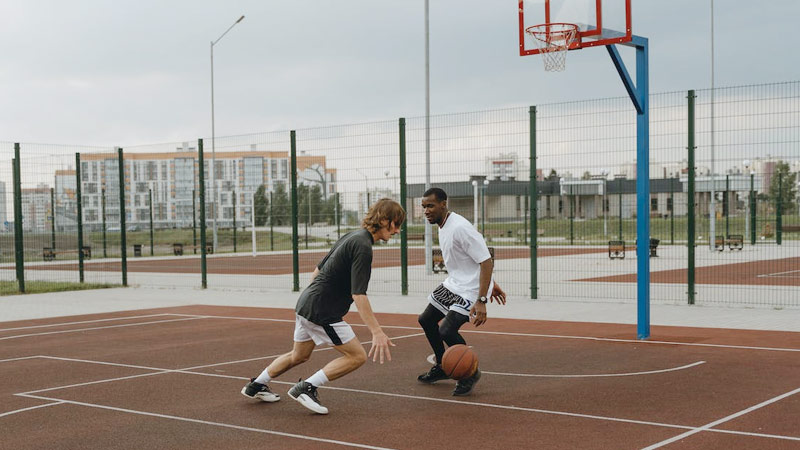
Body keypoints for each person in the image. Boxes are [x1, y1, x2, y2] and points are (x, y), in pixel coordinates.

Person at [241, 198, 406, 414]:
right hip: (322, 311)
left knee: (298, 355)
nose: (397, 231)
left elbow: (317, 272)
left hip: (306, 304)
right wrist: (377, 332)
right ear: (384, 220)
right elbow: (359, 295)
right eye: (397, 224)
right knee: (357, 356)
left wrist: (313, 300)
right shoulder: (363, 246)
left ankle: (256, 385)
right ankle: (306, 388)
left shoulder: (351, 236)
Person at [416, 187, 506, 396]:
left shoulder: (460, 228)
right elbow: (471, 260)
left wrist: (482, 298)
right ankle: (442, 365)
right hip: (455, 283)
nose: (426, 211)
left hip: (471, 289)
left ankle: (469, 373)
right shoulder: (443, 224)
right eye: (423, 207)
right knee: (426, 320)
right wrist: (493, 283)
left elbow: (485, 260)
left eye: (430, 206)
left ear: (443, 204)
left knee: (446, 330)